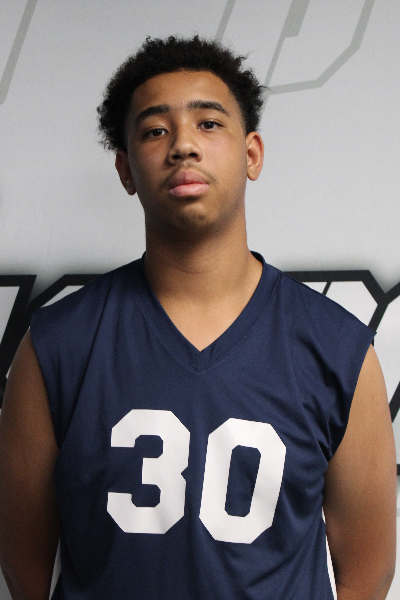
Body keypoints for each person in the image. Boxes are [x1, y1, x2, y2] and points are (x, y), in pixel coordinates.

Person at [0, 35, 396, 600]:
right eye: (155, 131)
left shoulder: (337, 348)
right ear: (125, 169)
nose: (183, 145)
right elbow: (25, 569)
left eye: (208, 124)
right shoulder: (57, 345)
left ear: (252, 154)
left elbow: (368, 572)